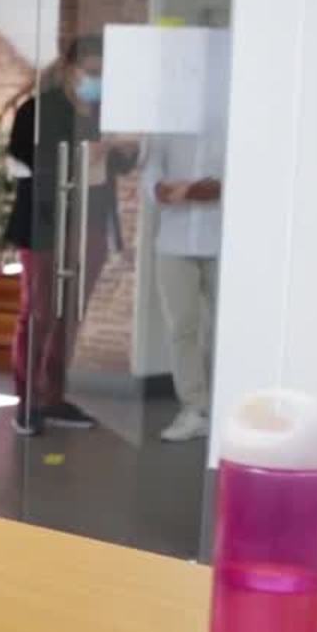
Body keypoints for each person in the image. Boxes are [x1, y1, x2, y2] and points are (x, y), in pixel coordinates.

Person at [2, 34, 138, 436]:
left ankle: (54, 394)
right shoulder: (37, 110)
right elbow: (22, 160)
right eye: (91, 72)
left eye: (103, 74)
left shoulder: (105, 111)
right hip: (45, 223)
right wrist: (81, 154)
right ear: (69, 70)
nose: (97, 81)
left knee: (71, 312)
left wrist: (124, 152)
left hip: (89, 220)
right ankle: (27, 400)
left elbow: (118, 168)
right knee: (40, 312)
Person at [140, 128, 225, 442]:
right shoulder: (169, 127)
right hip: (173, 243)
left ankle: (222, 404)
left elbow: (234, 182)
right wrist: (161, 190)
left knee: (223, 330)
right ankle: (195, 409)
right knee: (181, 329)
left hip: (224, 244)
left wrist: (190, 190)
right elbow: (151, 174)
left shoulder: (229, 123)